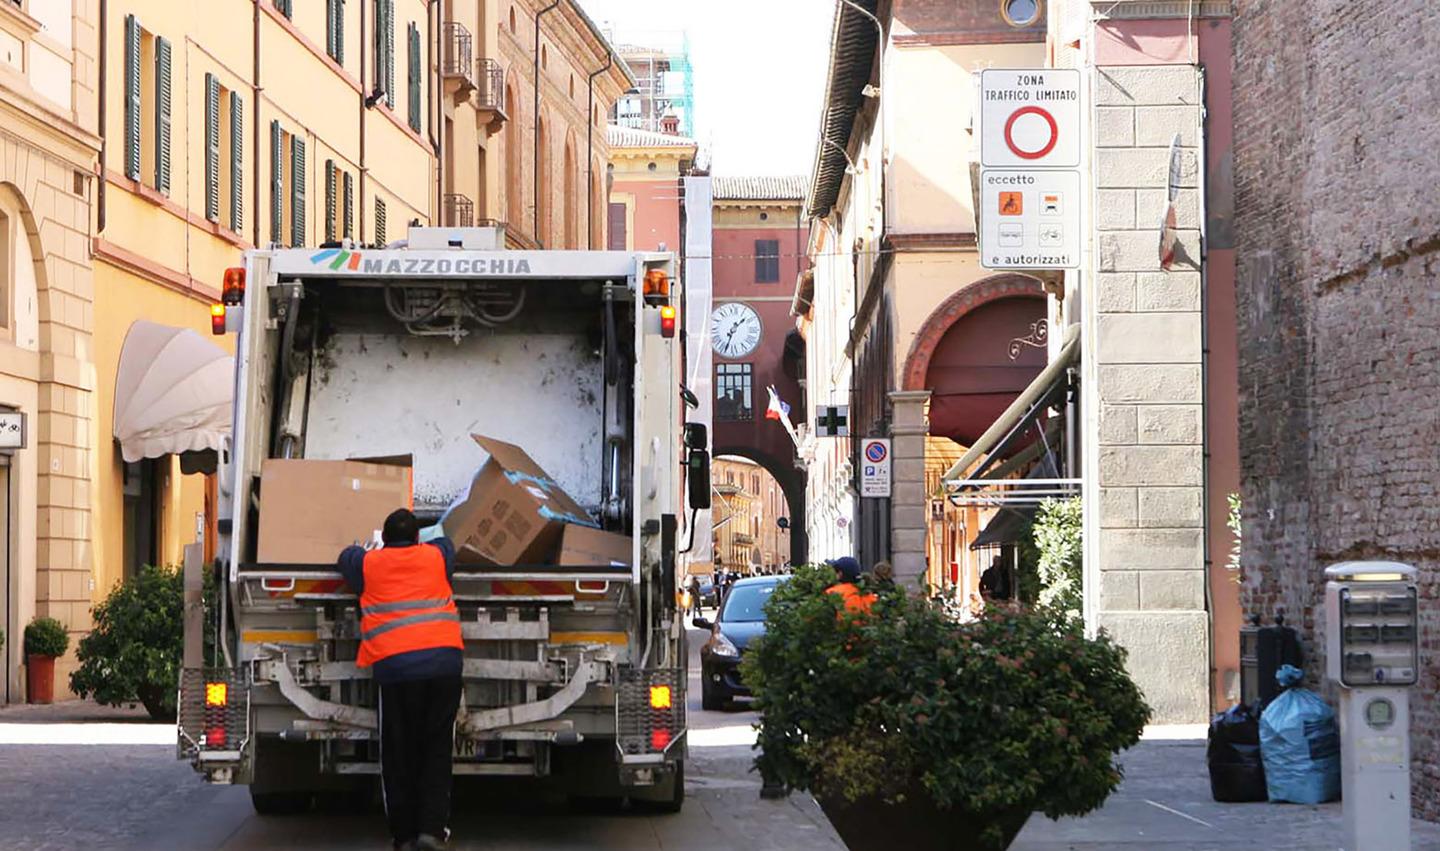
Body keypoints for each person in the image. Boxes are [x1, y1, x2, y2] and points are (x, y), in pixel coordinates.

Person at [337, 509, 463, 851]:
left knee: (399, 754)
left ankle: (404, 835)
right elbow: (448, 543)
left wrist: (365, 549)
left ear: (385, 541)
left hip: (397, 671)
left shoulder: (369, 565)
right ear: (417, 539)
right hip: (444, 666)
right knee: (437, 751)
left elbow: (346, 556)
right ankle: (432, 832)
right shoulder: (436, 557)